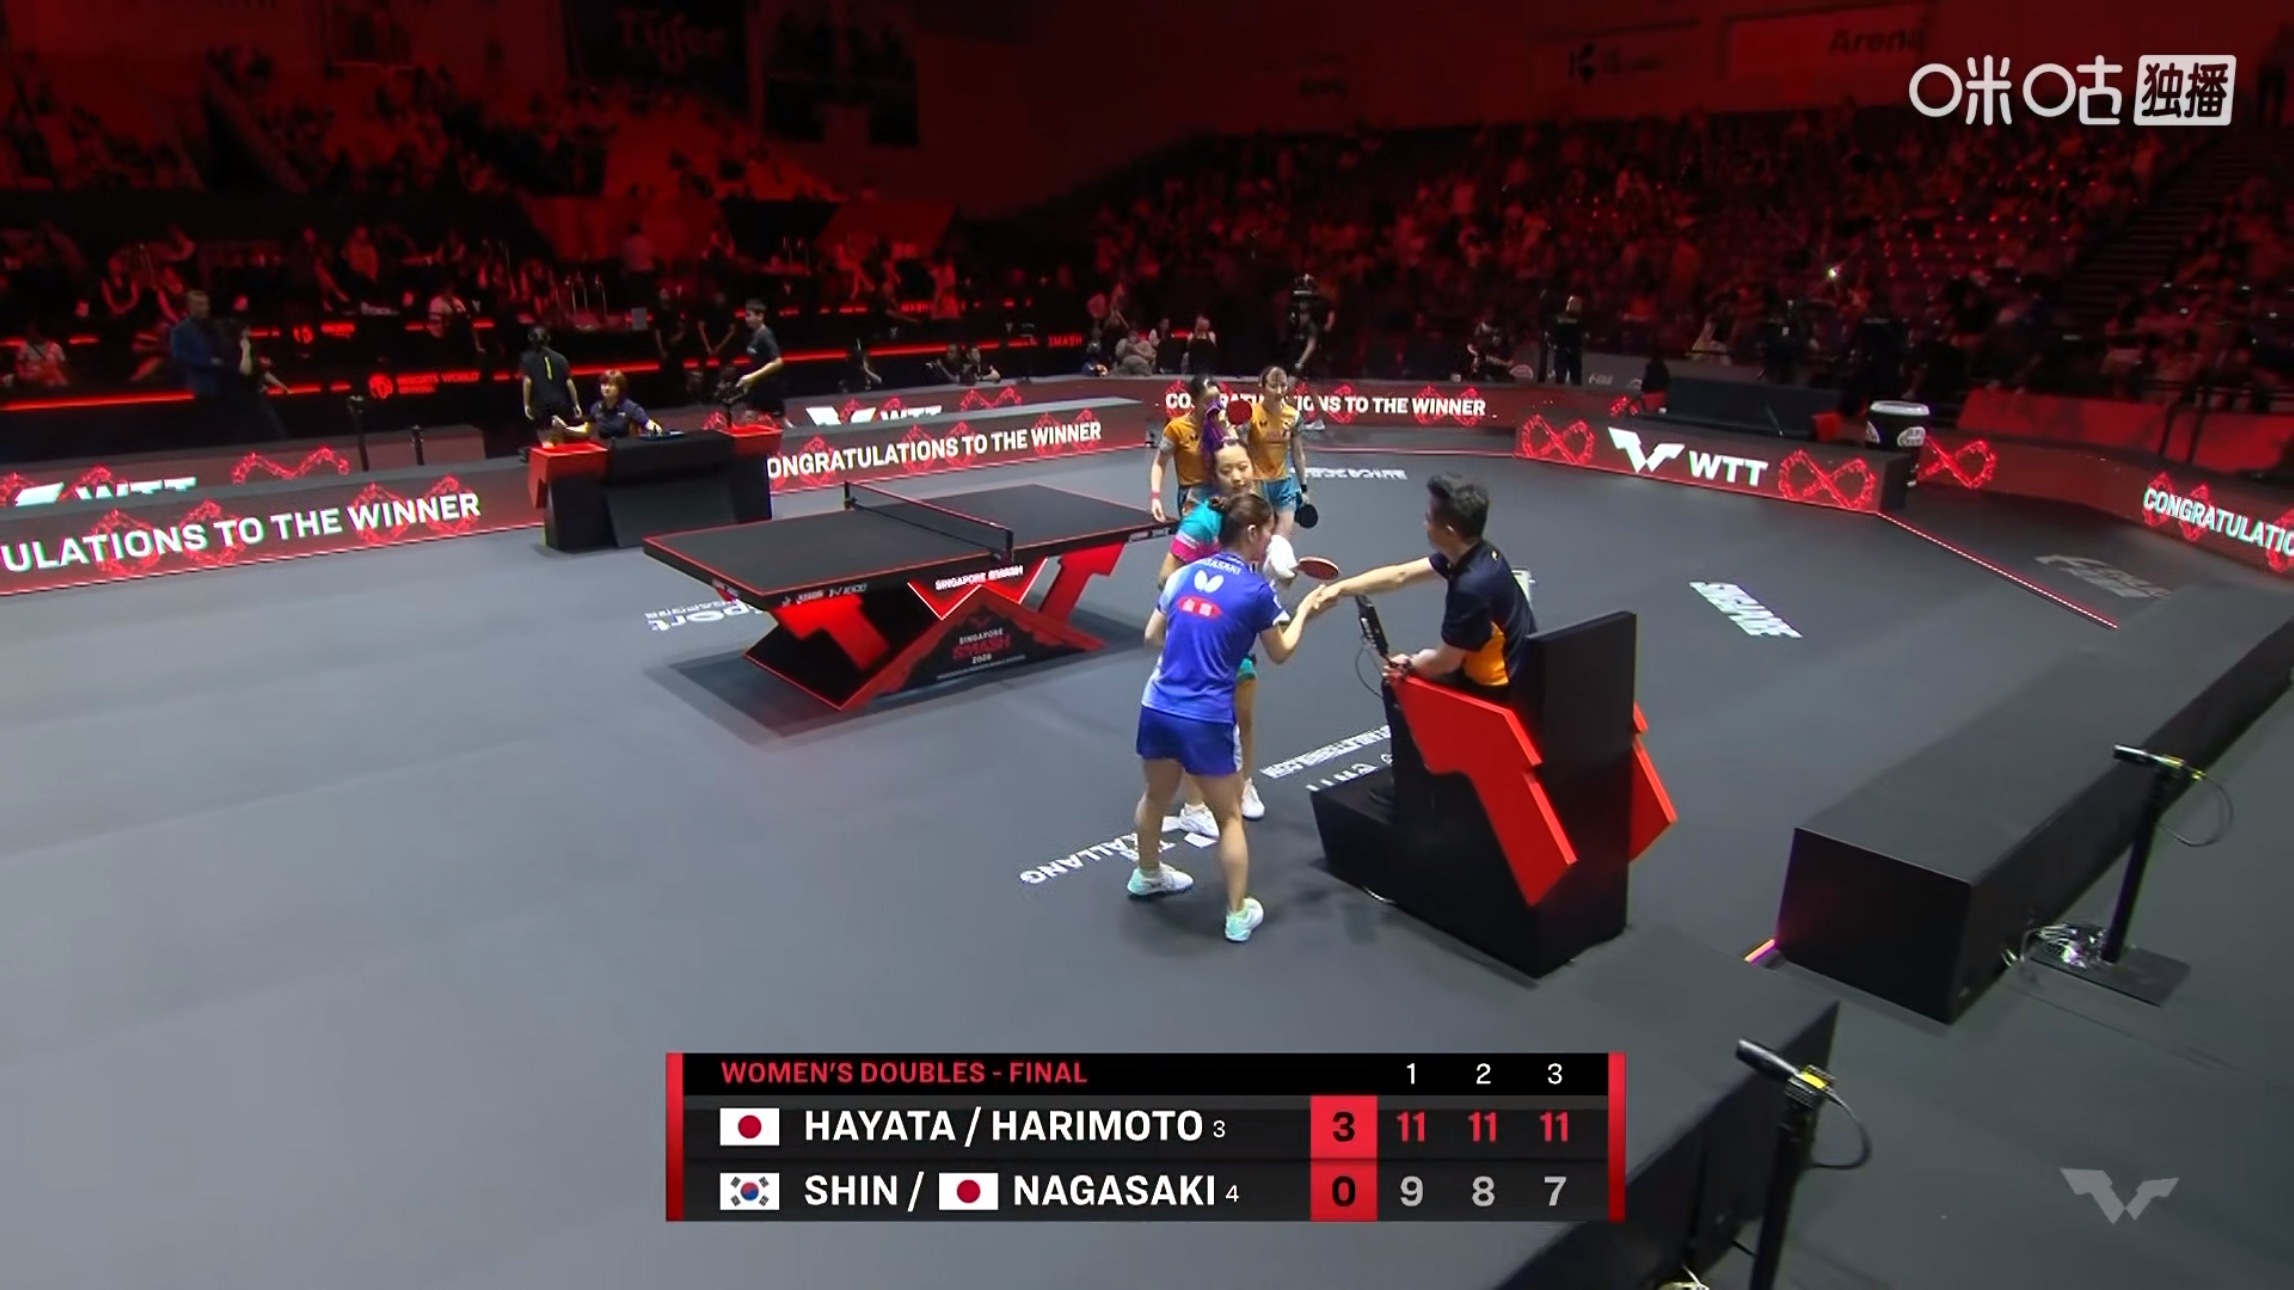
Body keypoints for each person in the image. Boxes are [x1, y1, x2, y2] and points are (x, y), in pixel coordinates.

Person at [1132, 492, 1323, 943]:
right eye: (1268, 533)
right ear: (1252, 533)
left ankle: (1147, 874)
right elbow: (1280, 652)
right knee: (1230, 817)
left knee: (1155, 799)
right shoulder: (1256, 592)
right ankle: (1238, 914)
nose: (1270, 541)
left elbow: (1151, 636)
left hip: (1158, 704)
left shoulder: (1184, 575)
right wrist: (1308, 611)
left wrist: (1193, 650)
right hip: (1206, 718)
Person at [1161, 442, 1300, 828]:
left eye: (1243, 467)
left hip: (1240, 635)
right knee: (1203, 719)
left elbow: (1258, 573)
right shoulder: (1202, 522)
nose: (1238, 477)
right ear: (1214, 476)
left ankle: (1244, 784)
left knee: (1244, 716)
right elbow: (1166, 576)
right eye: (1227, 470)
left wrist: (1274, 580)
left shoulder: (1257, 514)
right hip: (1204, 634)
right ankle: (1194, 804)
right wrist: (1215, 589)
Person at [1302, 474, 1535, 697]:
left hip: (1499, 690)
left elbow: (1444, 662)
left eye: (1428, 518)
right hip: (1517, 666)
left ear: (1449, 532)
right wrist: (1339, 589)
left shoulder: (1471, 588)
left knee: (1395, 680)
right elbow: (1400, 575)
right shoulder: (1475, 553)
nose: (1424, 524)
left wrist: (1409, 663)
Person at [1148, 372, 1225, 522]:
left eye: (1217, 399)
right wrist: (1155, 498)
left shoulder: (1224, 424)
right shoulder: (1176, 428)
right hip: (1192, 496)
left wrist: (1225, 430)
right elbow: (1159, 464)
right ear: (1194, 401)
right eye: (1207, 402)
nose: (1214, 406)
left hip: (1221, 491)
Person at [1243, 366, 1310, 536]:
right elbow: (1241, 453)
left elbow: (1297, 454)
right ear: (1262, 386)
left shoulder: (1293, 416)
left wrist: (1304, 488)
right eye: (1273, 386)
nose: (1279, 391)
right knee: (1261, 539)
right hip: (1258, 484)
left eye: (1283, 385)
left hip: (1283, 484)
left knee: (1281, 542)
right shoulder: (1250, 414)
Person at [549, 370, 660, 443]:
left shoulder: (630, 407)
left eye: (611, 385)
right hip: (606, 452)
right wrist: (565, 428)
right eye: (604, 384)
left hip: (627, 451)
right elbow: (587, 430)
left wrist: (656, 430)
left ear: (620, 388)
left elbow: (648, 424)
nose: (606, 388)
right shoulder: (596, 408)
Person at [728, 299, 787, 419]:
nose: (746, 319)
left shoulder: (766, 335)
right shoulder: (754, 335)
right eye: (746, 316)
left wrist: (753, 376)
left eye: (749, 315)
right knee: (750, 417)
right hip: (758, 386)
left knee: (779, 422)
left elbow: (778, 362)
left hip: (770, 387)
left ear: (760, 316)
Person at [519, 326, 578, 443]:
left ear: (530, 338)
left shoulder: (526, 358)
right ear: (549, 338)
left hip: (540, 404)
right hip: (561, 403)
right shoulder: (560, 358)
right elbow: (569, 382)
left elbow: (528, 382)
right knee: (560, 439)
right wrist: (576, 403)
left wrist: (526, 404)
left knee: (545, 439)